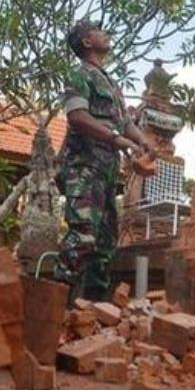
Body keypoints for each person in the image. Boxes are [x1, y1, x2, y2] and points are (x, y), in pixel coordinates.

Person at [54, 19, 152, 301]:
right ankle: (54, 306)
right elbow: (78, 117)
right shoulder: (79, 75)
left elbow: (125, 124)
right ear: (86, 42)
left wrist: (142, 141)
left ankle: (92, 314)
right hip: (83, 168)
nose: (106, 34)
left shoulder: (110, 82)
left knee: (105, 246)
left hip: (107, 173)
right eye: (99, 31)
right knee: (82, 237)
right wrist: (116, 140)